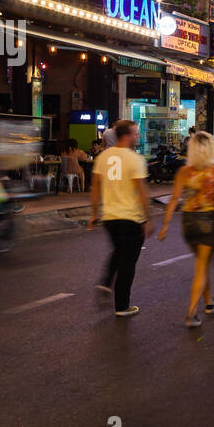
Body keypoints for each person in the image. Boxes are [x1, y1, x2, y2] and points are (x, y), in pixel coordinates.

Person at [157, 132, 214, 330]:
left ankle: (209, 302)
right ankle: (191, 312)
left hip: (188, 223)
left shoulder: (184, 172)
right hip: (208, 221)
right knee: (201, 267)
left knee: (202, 263)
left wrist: (165, 225)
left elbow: (173, 199)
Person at [89, 120, 151, 318]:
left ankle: (105, 283)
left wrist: (94, 213)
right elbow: (142, 191)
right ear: (126, 135)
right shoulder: (134, 159)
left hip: (109, 217)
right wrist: (148, 219)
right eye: (135, 134)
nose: (138, 137)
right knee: (128, 262)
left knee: (119, 250)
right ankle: (122, 306)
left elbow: (95, 187)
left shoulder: (104, 156)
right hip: (131, 217)